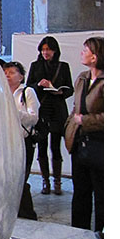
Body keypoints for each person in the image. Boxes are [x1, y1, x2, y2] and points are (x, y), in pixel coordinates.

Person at [64, 37, 104, 238]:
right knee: (80, 192)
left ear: (95, 56)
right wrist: (70, 126)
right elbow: (75, 108)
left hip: (100, 143)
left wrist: (85, 121)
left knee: (102, 193)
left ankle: (100, 236)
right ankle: (78, 234)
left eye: (85, 50)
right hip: (80, 143)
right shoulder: (82, 78)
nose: (82, 52)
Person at [26, 36, 73, 195]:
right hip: (42, 108)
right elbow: (28, 87)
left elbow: (70, 89)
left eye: (49, 49)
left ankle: (57, 181)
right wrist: (39, 84)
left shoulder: (63, 66)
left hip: (58, 109)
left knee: (56, 147)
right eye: (43, 49)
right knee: (42, 146)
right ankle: (45, 181)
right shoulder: (35, 65)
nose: (46, 52)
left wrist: (61, 91)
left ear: (55, 51)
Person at [4, 61, 39, 220]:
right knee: (7, 178)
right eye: (5, 72)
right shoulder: (1, 91)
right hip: (4, 141)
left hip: (23, 141)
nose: (7, 75)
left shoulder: (27, 92)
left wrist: (14, 113)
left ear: (21, 76)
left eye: (11, 72)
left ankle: (28, 214)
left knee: (21, 178)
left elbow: (33, 118)